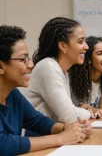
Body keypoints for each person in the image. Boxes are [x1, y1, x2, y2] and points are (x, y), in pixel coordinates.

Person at [0, 25, 92, 155]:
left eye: (29, 58)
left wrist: (68, 128)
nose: (31, 65)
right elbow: (3, 144)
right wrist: (60, 138)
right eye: (22, 59)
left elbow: (37, 121)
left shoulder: (12, 94)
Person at [22, 17, 92, 124]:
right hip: (35, 135)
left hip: (49, 132)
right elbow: (69, 117)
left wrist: (80, 111)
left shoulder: (62, 70)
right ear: (62, 45)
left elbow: (68, 114)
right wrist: (88, 112)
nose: (86, 46)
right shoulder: (48, 67)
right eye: (80, 41)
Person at [69, 36, 102, 118]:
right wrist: (93, 110)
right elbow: (76, 109)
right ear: (89, 59)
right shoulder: (75, 78)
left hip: (97, 123)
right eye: (100, 53)